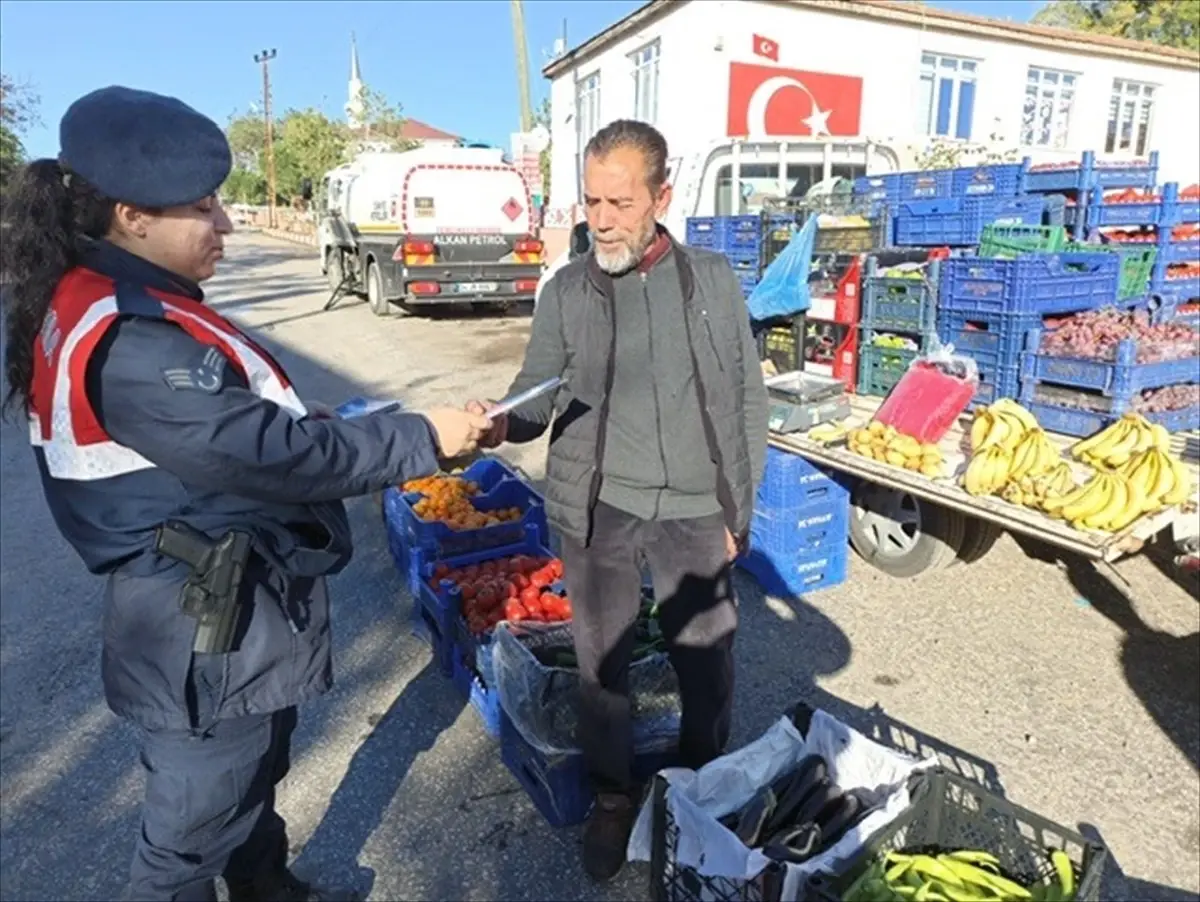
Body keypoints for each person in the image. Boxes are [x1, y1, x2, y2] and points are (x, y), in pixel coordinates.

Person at [0, 85, 491, 902]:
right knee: (191, 830)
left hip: (216, 608)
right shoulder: (130, 337)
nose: (226, 224)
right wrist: (425, 437)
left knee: (251, 775)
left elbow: (221, 426)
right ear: (132, 216)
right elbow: (272, 456)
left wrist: (310, 413)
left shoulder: (115, 298)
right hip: (201, 626)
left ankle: (265, 887)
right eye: (203, 207)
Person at [467, 119, 769, 882]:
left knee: (706, 662)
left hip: (696, 507)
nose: (600, 218)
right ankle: (611, 796)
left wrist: (741, 509)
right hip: (598, 506)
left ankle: (700, 792)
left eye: (620, 202)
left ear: (662, 196)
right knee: (602, 667)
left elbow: (744, 398)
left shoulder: (711, 280)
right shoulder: (566, 291)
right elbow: (535, 393)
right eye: (591, 200)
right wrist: (503, 421)